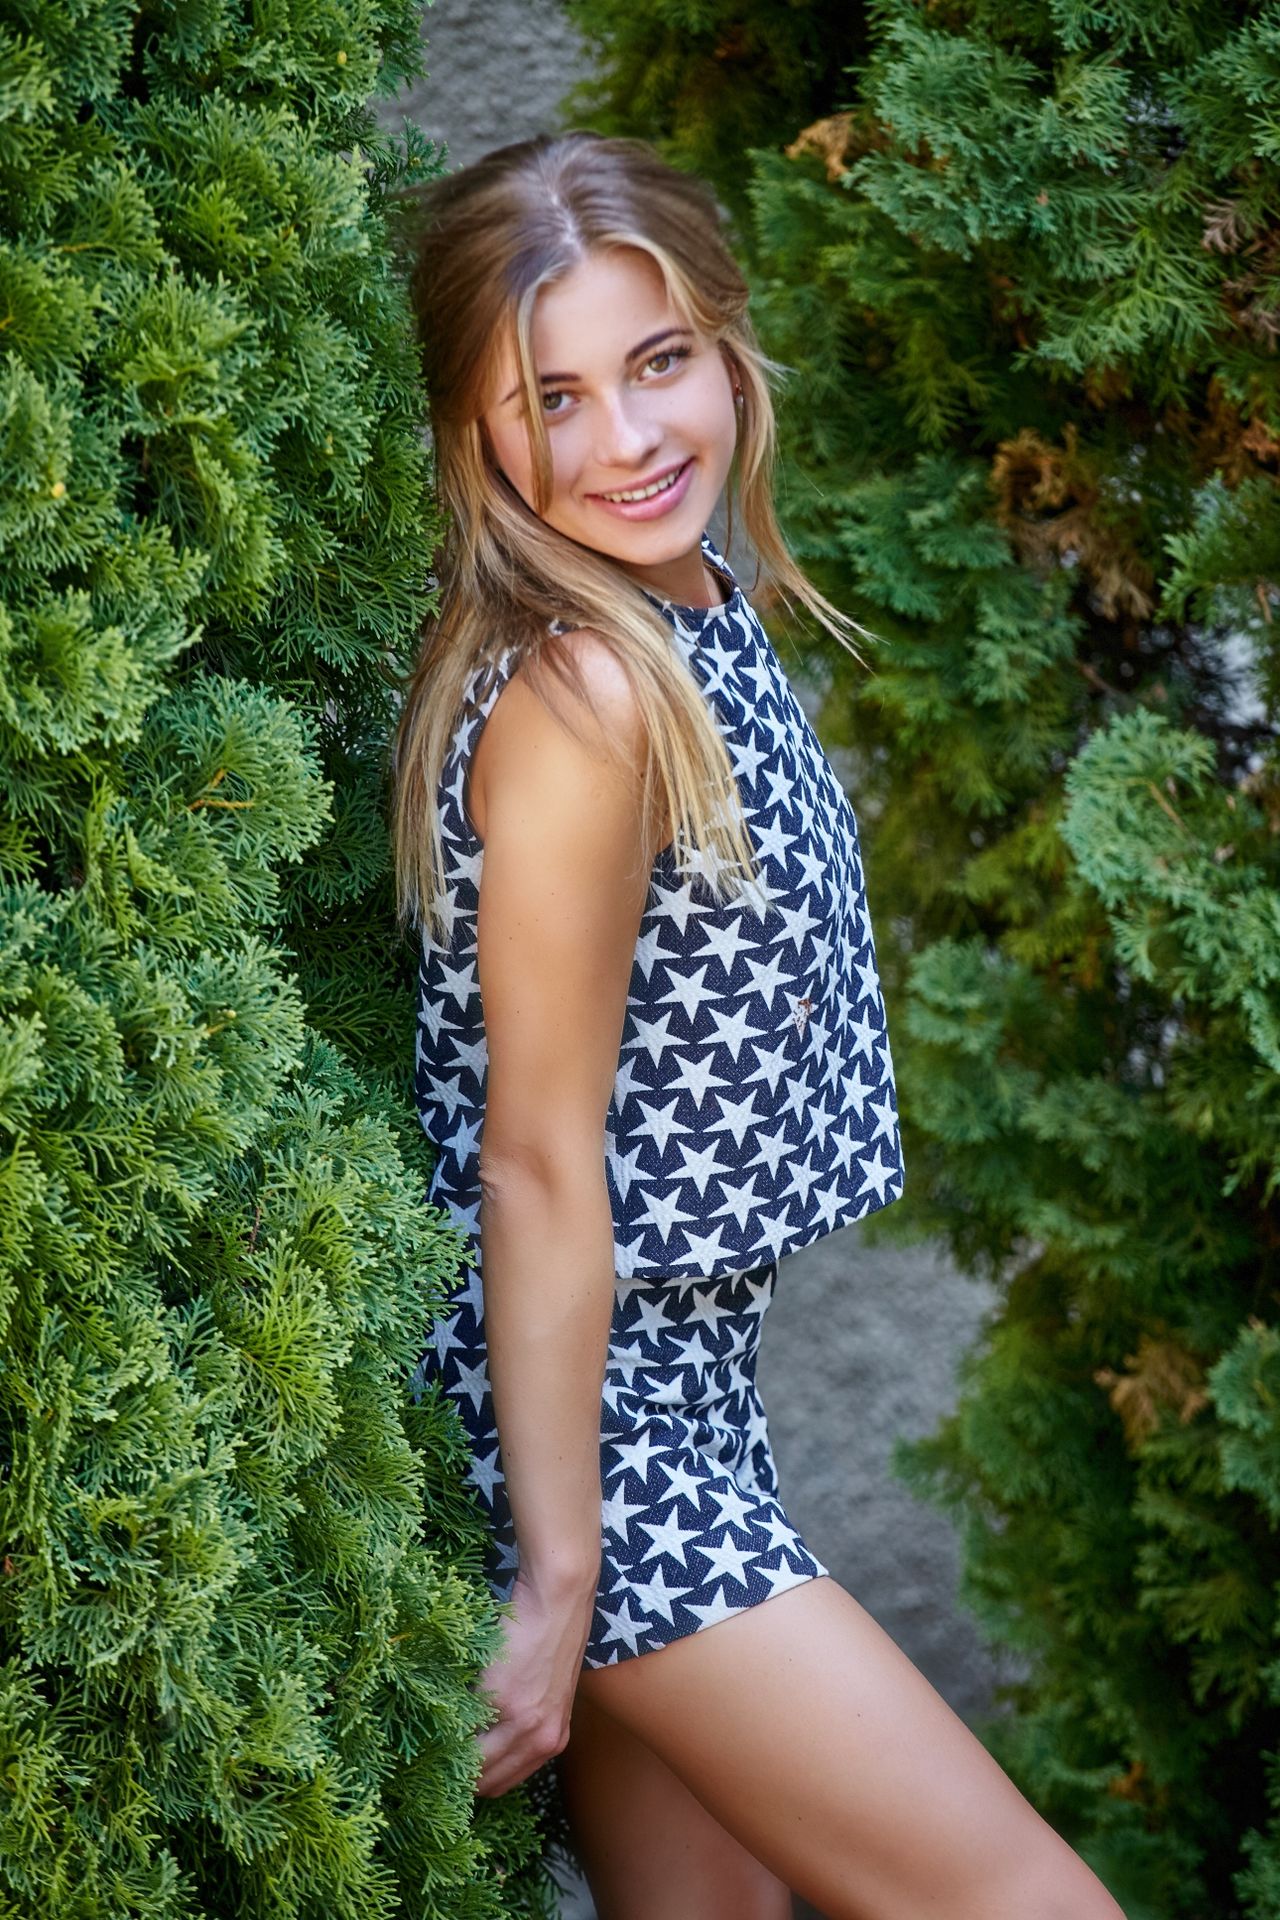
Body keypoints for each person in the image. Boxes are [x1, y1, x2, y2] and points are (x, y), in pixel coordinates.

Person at [394, 130, 1125, 1920]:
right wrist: (562, 1575)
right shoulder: (585, 692)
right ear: (476, 435)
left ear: (727, 346)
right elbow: (536, 1158)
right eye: (551, 397)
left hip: (677, 1399)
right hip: (594, 1430)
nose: (627, 438)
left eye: (658, 362)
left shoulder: (688, 607)